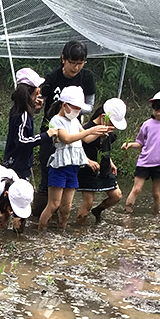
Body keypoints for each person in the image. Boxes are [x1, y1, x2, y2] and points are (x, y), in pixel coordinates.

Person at [34, 41, 97, 216]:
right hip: (51, 130)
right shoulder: (52, 78)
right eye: (72, 62)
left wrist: (73, 107)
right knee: (48, 173)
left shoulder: (87, 78)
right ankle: (38, 214)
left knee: (68, 173)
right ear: (63, 59)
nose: (76, 67)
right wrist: (37, 104)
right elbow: (40, 103)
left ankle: (59, 215)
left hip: (73, 129)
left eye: (80, 63)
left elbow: (90, 105)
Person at [38, 86, 110, 231]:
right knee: (54, 204)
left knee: (67, 207)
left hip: (73, 167)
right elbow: (67, 139)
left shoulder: (75, 121)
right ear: (65, 105)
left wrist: (99, 131)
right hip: (59, 167)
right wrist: (90, 130)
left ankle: (61, 231)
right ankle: (41, 231)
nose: (77, 111)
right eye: (76, 108)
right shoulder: (56, 120)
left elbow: (87, 139)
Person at [76, 99, 127, 223]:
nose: (113, 127)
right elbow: (76, 148)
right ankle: (78, 231)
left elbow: (104, 148)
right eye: (112, 123)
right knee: (88, 203)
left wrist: (110, 162)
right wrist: (87, 160)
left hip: (104, 168)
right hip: (88, 170)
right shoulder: (87, 129)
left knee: (116, 196)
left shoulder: (108, 130)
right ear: (103, 117)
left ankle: (98, 210)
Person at [2, 68, 57, 180]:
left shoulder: (19, 108)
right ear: (37, 91)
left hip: (16, 162)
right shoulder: (22, 113)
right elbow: (21, 140)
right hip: (18, 165)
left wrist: (33, 106)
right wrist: (46, 135)